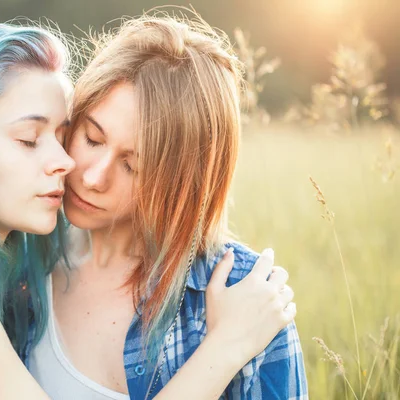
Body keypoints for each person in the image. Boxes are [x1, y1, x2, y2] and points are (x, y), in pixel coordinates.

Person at [0, 20, 300, 400]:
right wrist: (226, 348)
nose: (75, 167)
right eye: (87, 137)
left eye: (134, 165)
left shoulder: (240, 294)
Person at [27, 12, 308, 400]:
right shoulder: (23, 254)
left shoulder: (247, 298)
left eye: (132, 166)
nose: (93, 177)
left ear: (181, 182)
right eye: (92, 138)